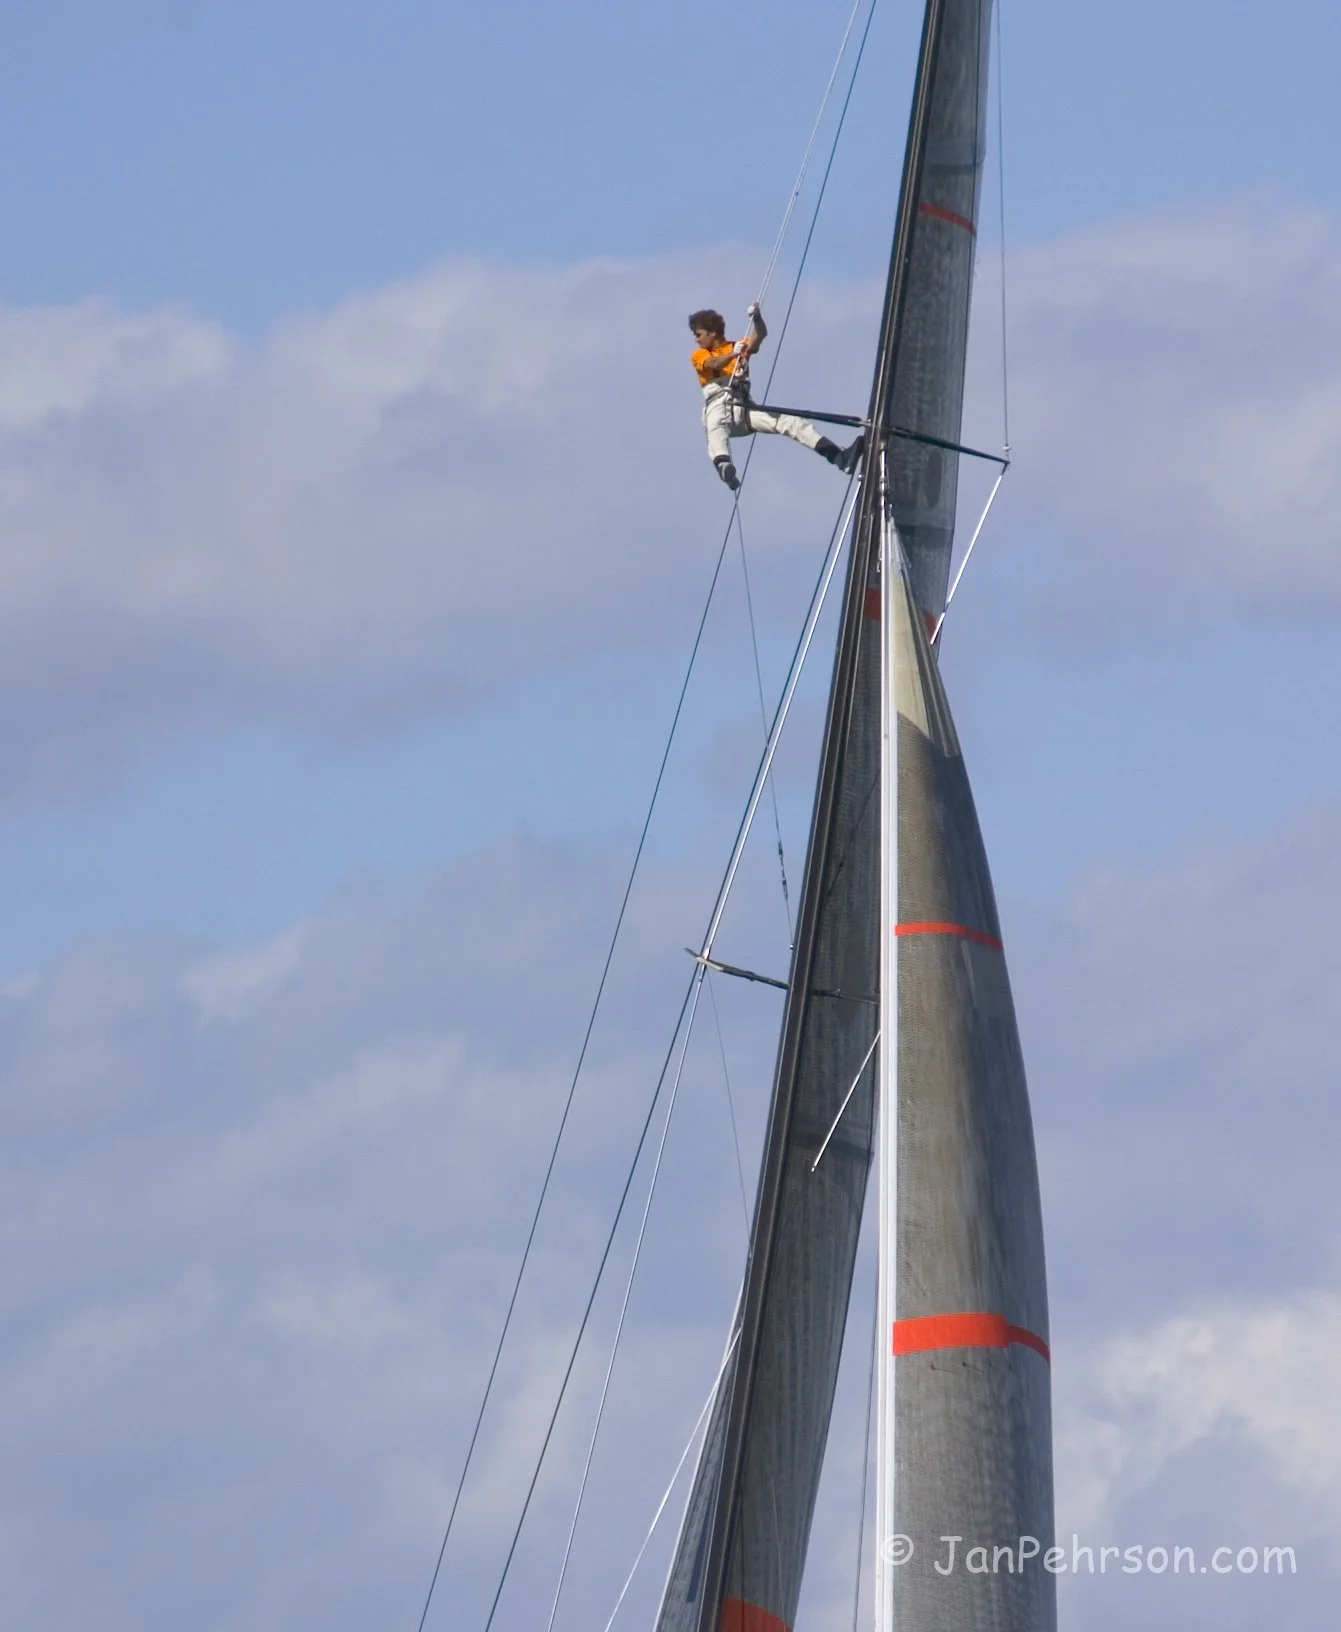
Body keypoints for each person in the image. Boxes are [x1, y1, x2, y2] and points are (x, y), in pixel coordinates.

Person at [688, 305, 864, 491]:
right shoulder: (699, 354)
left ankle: (839, 458)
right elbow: (713, 363)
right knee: (716, 427)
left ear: (713, 332)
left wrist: (756, 318)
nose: (696, 339)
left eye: (699, 334)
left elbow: (760, 335)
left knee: (791, 423)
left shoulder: (737, 346)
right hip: (718, 403)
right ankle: (723, 464)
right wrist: (733, 354)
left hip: (744, 408)